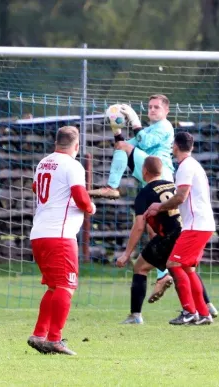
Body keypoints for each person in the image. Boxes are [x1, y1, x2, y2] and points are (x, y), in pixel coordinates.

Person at [88, 94, 176, 298]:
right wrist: (116, 131)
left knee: (160, 231)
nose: (152, 110)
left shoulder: (165, 127)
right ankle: (164, 275)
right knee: (153, 230)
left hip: (161, 176)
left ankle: (111, 187)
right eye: (150, 107)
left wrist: (134, 121)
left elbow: (143, 144)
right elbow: (125, 144)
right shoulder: (149, 129)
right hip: (151, 181)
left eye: (156, 107)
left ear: (166, 111)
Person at [116, 156, 217, 324]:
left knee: (140, 267)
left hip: (169, 236)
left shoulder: (145, 193)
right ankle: (206, 307)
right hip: (186, 230)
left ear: (144, 171)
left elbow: (139, 226)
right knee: (188, 269)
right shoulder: (172, 185)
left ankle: (136, 315)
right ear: (161, 171)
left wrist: (127, 254)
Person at [27, 126, 97, 356]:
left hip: (39, 233)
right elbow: (80, 196)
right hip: (60, 235)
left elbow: (36, 187)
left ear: (56, 142)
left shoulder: (43, 162)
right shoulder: (72, 165)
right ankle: (55, 339)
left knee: (54, 287)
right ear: (76, 146)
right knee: (66, 286)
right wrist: (90, 207)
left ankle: (39, 335)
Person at [146, 132, 217, 325]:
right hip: (200, 224)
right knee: (188, 268)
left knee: (173, 264)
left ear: (175, 146)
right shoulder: (193, 165)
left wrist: (158, 207)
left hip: (196, 225)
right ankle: (203, 314)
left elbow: (181, 196)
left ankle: (189, 312)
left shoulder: (185, 166)